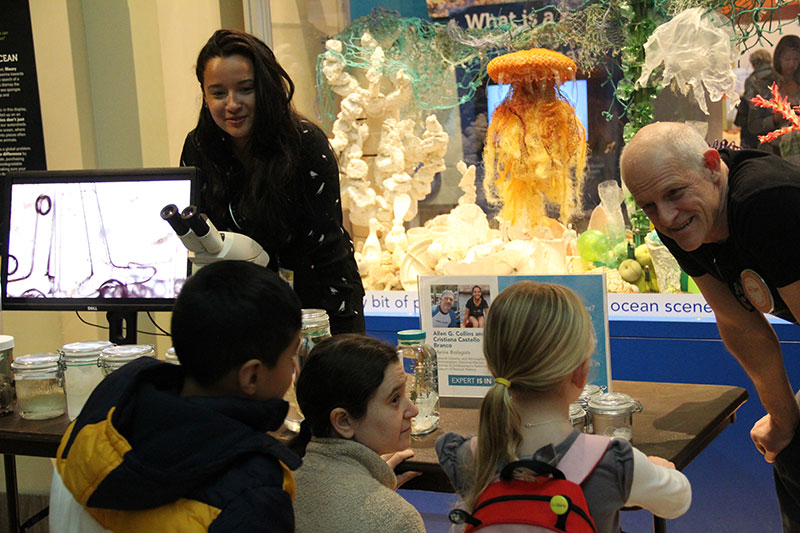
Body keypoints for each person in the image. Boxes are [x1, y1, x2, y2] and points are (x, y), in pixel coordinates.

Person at [620, 121, 800, 531]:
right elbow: (739, 323)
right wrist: (782, 417)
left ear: (711, 164)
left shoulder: (763, 202)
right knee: (792, 456)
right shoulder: (683, 223)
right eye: (648, 205)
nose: (664, 217)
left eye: (674, 193)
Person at [49, 261, 303, 532]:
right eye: (291, 356)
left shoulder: (90, 431)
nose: (294, 368)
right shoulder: (254, 493)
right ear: (251, 375)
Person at [436, 281, 691, 532]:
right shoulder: (613, 463)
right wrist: (658, 469)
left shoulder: (465, 457)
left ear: (492, 366)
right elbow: (678, 500)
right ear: (581, 373)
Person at [181, 29, 365, 334]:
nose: (232, 104)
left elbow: (328, 252)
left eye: (245, 89)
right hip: (238, 311)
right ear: (204, 94)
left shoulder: (305, 144)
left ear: (265, 89)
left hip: (314, 310)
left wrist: (339, 340)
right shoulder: (199, 146)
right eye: (218, 93)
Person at [290, 334, 426, 532]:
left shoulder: (281, 486)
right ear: (343, 421)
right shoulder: (398, 520)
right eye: (395, 399)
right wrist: (379, 503)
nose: (413, 410)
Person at [746, 36, 800, 156]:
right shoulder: (764, 85)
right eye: (787, 59)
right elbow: (753, 125)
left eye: (796, 59)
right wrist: (774, 120)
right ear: (778, 59)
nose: (792, 64)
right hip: (772, 154)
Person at [736, 49, 780, 149]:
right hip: (778, 127)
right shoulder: (779, 76)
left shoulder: (752, 80)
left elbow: (752, 105)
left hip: (757, 130)